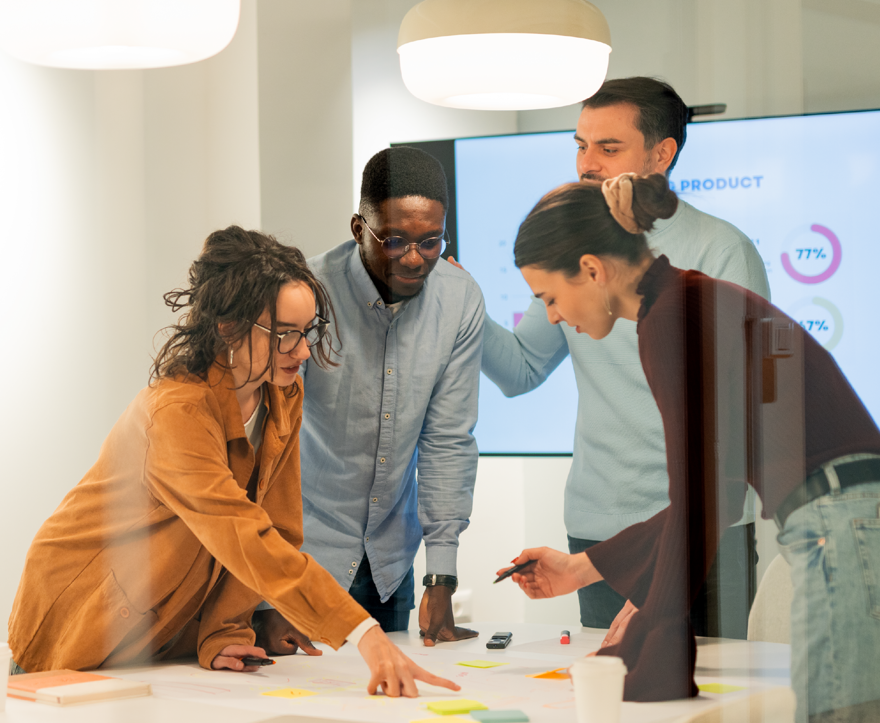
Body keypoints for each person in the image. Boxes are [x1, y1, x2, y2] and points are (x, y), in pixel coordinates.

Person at [501, 174, 880, 720]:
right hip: (859, 518)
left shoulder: (670, 318)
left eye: (550, 298)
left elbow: (701, 501)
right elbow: (716, 492)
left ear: (592, 270)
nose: (552, 316)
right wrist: (583, 567)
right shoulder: (685, 299)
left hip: (842, 522)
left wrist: (652, 633)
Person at [7, 226, 460, 698]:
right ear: (228, 326)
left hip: (155, 632)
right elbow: (243, 533)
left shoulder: (282, 393)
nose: (303, 351)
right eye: (285, 335)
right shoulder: (175, 413)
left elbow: (277, 527)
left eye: (308, 331)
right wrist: (362, 631)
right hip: (80, 614)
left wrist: (224, 631)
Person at [475, 77, 770, 637]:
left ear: (662, 154)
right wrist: (457, 299)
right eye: (581, 145)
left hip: (707, 527)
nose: (587, 164)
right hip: (599, 525)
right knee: (613, 683)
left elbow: (738, 423)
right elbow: (520, 369)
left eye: (608, 148)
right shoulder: (573, 248)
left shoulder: (720, 251)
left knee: (713, 685)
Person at [255, 147, 483, 652]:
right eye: (395, 240)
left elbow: (447, 440)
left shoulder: (460, 299)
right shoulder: (306, 293)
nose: (414, 258)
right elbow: (268, 442)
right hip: (303, 558)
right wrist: (267, 596)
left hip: (389, 565)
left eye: (431, 242)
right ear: (359, 229)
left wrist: (440, 577)